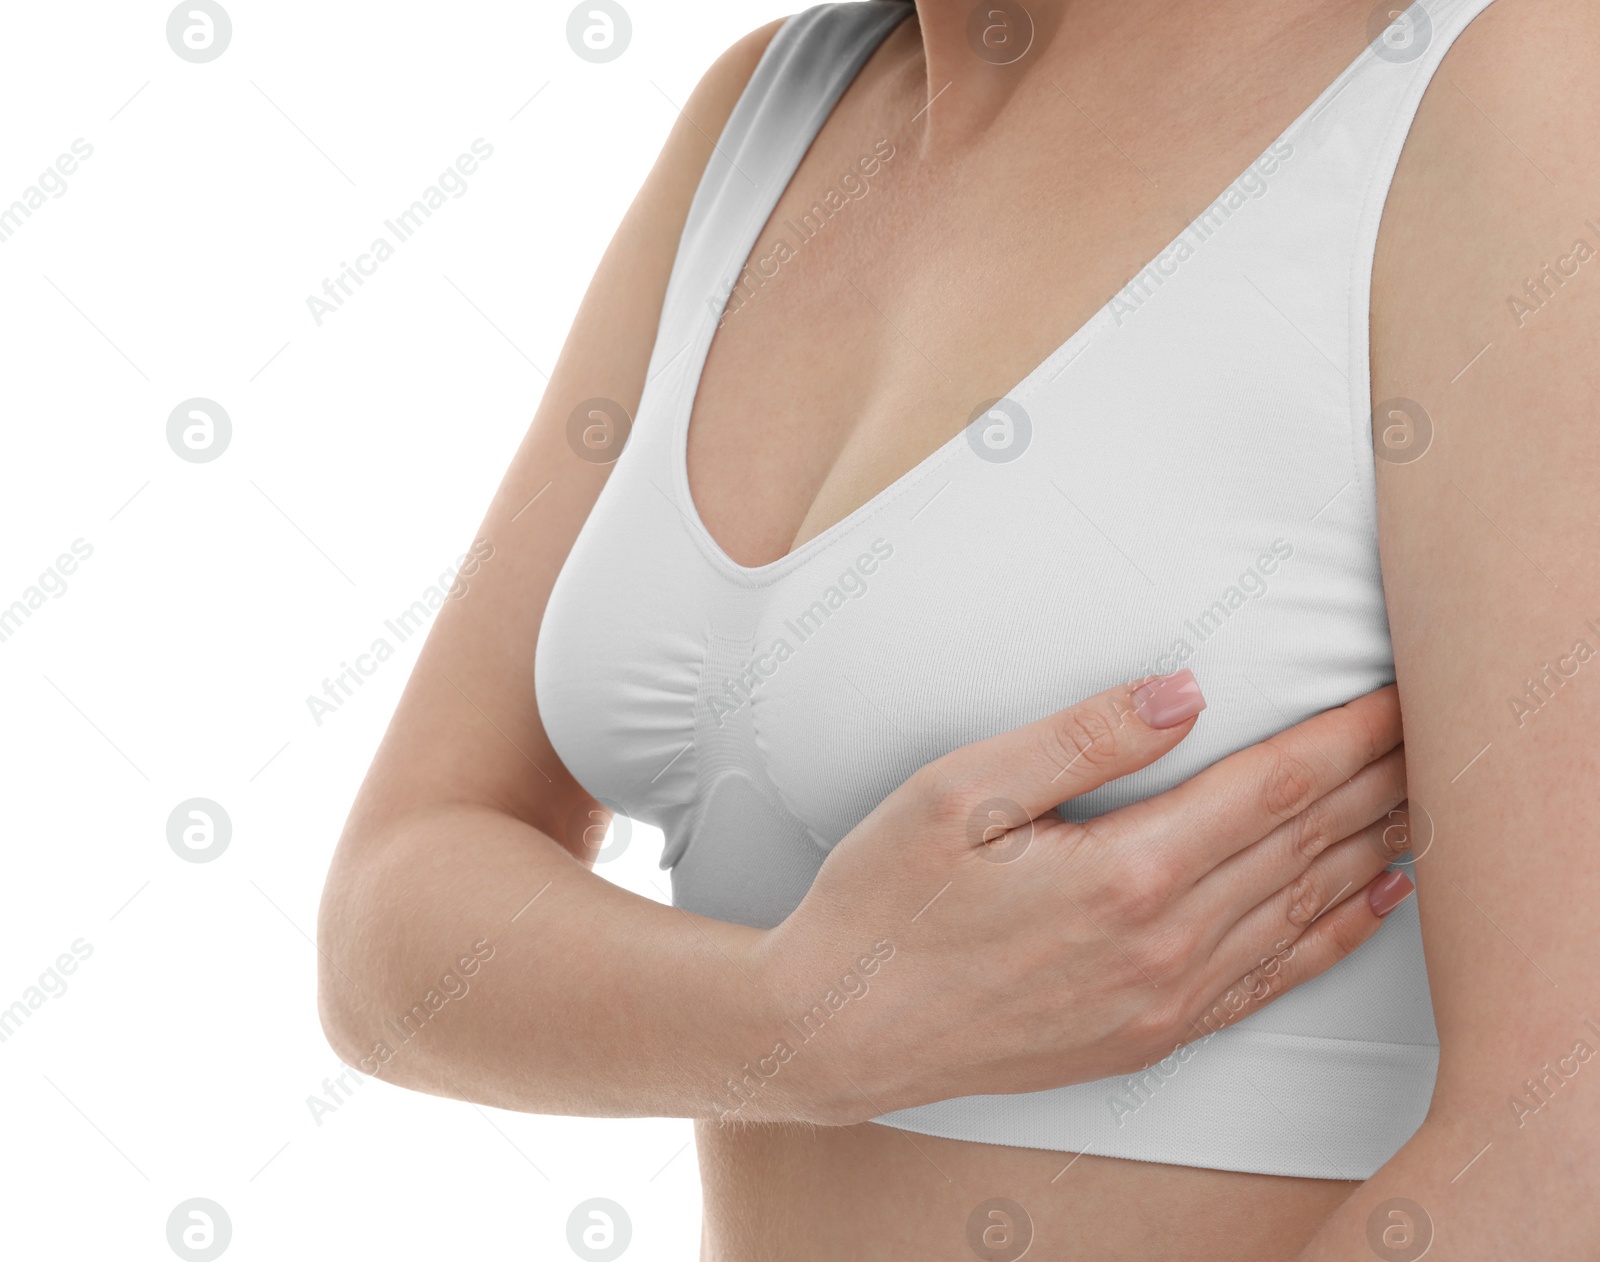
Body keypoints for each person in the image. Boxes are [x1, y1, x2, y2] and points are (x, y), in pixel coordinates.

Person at [317, 0, 1600, 1256]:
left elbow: (1561, 1146)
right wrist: (812, 1018)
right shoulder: (764, 116)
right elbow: (395, 912)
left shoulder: (1512, 88)